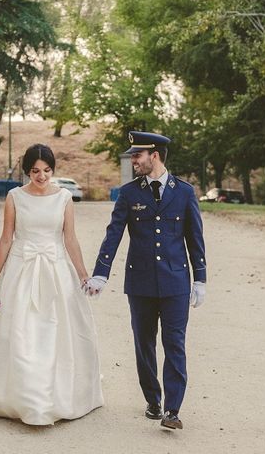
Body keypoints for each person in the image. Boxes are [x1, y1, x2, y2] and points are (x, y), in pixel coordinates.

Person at [0, 144, 104, 425]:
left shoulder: (64, 198)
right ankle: (18, 396)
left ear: (53, 170)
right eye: (35, 171)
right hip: (21, 270)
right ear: (27, 171)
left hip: (57, 271)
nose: (42, 176)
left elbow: (70, 239)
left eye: (47, 170)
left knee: (57, 331)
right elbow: (7, 239)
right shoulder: (14, 197)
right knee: (18, 332)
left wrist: (83, 274)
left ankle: (59, 395)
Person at [84, 131, 206, 430]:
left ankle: (173, 410)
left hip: (176, 281)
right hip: (140, 283)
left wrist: (200, 278)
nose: (133, 160)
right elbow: (113, 235)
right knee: (144, 344)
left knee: (174, 343)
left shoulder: (185, 192)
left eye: (137, 155)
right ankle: (153, 399)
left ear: (155, 155)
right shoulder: (128, 193)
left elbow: (195, 239)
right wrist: (101, 272)